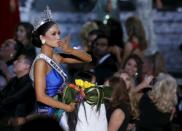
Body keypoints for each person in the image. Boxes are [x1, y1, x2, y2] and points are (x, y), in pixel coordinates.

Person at [30, 6, 92, 121]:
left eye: (59, 33)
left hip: (59, 111)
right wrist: (67, 107)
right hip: (47, 114)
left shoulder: (56, 57)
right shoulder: (40, 62)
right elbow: (40, 96)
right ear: (42, 37)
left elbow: (88, 59)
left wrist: (70, 50)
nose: (58, 37)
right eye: (53, 34)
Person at [0, 52, 35, 128]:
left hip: (19, 123)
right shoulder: (13, 80)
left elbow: (14, 98)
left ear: (27, 66)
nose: (14, 62)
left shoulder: (30, 83)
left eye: (18, 61)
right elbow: (2, 95)